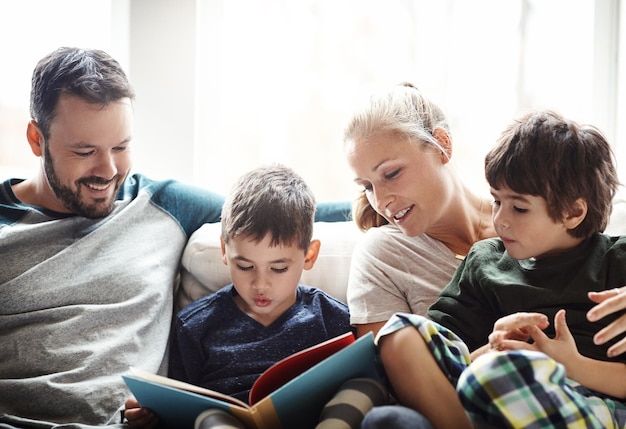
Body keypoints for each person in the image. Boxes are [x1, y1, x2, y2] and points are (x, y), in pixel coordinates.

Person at [0, 47, 350, 428]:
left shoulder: (163, 204)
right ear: (37, 139)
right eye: (85, 152)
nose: (109, 170)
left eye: (121, 147)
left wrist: (382, 204)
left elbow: (278, 218)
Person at [375, 110, 626, 428]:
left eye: (519, 207)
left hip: (594, 403)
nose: (501, 219)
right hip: (495, 388)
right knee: (399, 335)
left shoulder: (617, 260)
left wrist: (573, 366)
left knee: (499, 376)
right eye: (496, 201)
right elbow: (451, 360)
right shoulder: (485, 261)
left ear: (574, 212)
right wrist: (494, 347)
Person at [125, 164, 386, 429]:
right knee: (207, 419)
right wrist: (150, 413)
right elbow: (178, 402)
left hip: (313, 421)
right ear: (224, 251)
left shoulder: (331, 317)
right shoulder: (195, 325)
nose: (260, 284)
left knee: (366, 386)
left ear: (309, 255)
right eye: (245, 267)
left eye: (278, 268)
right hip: (230, 423)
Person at [344, 82, 496, 339]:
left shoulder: (532, 219)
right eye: (368, 186)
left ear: (442, 145)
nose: (380, 202)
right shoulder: (382, 256)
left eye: (391, 174)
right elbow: (395, 374)